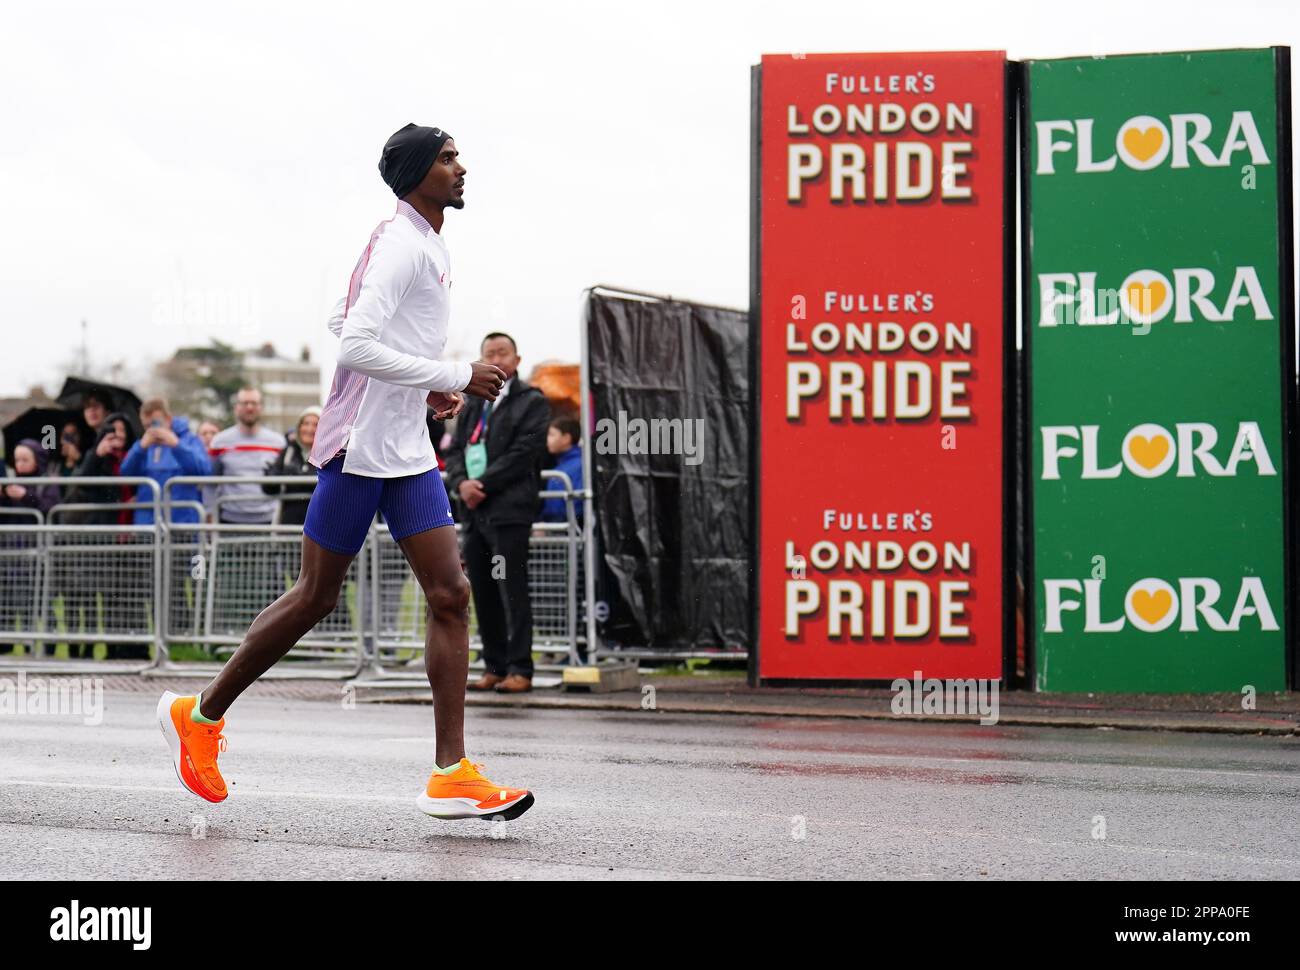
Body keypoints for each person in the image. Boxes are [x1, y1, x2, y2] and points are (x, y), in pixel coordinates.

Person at [156, 123, 533, 821]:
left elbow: (342, 317)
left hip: (408, 451)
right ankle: (199, 715)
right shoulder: (399, 245)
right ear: (419, 171)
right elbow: (356, 342)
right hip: (360, 451)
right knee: (316, 599)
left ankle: (450, 773)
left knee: (450, 594)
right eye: (449, 158)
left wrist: (422, 390)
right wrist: (454, 372)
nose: (461, 168)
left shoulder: (423, 241)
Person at [444, 333, 550, 694]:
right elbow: (455, 449)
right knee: (483, 591)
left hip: (509, 511)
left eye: (503, 353)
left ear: (517, 360)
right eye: (489, 354)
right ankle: (494, 664)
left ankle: (521, 668)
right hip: (474, 514)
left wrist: (483, 484)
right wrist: (461, 484)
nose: (497, 359)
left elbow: (525, 452)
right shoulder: (473, 403)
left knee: (512, 590)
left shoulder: (532, 401)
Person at [1, 440, 61, 653]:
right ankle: (7, 642)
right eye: (17, 459)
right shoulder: (10, 483)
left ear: (37, 460)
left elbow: (50, 507)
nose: (20, 464)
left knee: (37, 597)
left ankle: (46, 644)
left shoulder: (46, 482)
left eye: (25, 459)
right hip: (13, 551)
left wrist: (25, 496)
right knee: (8, 597)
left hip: (38, 551)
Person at [119, 398, 213, 526]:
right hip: (149, 524)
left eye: (155, 424)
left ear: (168, 419)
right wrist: (140, 449)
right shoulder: (143, 446)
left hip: (183, 522)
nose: (152, 430)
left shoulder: (189, 440)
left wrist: (177, 446)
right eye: (146, 426)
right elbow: (126, 473)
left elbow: (203, 470)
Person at [207, 389, 282, 525]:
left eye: (254, 403)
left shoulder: (278, 442)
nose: (249, 408)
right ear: (236, 407)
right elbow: (210, 484)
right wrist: (209, 514)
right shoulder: (219, 442)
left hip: (268, 520)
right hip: (229, 520)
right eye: (245, 403)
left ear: (261, 407)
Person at [260, 405, 320, 526]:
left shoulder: (330, 455)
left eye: (316, 424)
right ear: (299, 427)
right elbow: (269, 490)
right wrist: (270, 479)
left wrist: (295, 476)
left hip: (319, 524)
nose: (310, 429)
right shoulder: (288, 452)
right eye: (306, 423)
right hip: (289, 524)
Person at [539, 416, 583, 525]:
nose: (547, 439)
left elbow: (577, 503)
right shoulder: (561, 464)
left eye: (552, 434)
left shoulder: (578, 465)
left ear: (566, 438)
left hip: (567, 529)